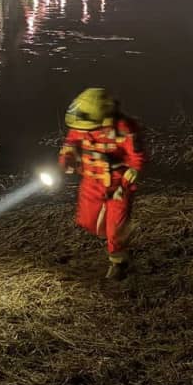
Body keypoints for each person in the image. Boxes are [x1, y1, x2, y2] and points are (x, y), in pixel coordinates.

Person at [59, 87, 145, 280]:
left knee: (116, 227)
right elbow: (71, 142)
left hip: (119, 185)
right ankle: (113, 234)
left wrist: (134, 170)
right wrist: (67, 157)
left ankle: (118, 262)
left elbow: (137, 154)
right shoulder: (81, 125)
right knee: (88, 221)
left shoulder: (123, 128)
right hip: (91, 182)